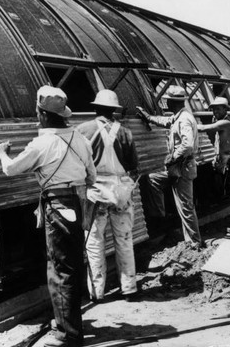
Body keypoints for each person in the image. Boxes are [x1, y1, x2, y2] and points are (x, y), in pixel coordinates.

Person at [0, 85, 96, 347]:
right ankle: (68, 322)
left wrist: (1, 152)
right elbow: (92, 177)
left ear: (41, 114)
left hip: (57, 206)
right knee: (72, 264)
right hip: (77, 201)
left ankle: (68, 335)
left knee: (60, 268)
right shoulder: (81, 139)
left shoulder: (42, 143)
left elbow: (11, 169)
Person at [77, 90, 139, 303]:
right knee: (124, 240)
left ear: (95, 108)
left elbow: (78, 165)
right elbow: (133, 167)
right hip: (120, 193)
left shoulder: (83, 131)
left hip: (95, 193)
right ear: (114, 110)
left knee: (94, 243)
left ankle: (97, 293)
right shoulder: (126, 133)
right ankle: (129, 288)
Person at [136, 85, 202, 248]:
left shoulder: (184, 119)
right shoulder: (179, 117)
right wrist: (149, 117)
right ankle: (161, 217)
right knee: (153, 180)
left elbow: (187, 145)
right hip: (179, 166)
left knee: (186, 206)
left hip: (183, 166)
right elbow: (167, 122)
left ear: (174, 102)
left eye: (168, 101)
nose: (166, 104)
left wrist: (172, 156)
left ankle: (194, 242)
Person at [197, 96, 230, 234]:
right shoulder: (223, 120)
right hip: (226, 158)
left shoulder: (226, 123)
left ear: (226, 109)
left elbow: (203, 128)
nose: (215, 112)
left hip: (229, 160)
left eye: (218, 109)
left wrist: (184, 122)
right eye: (213, 109)